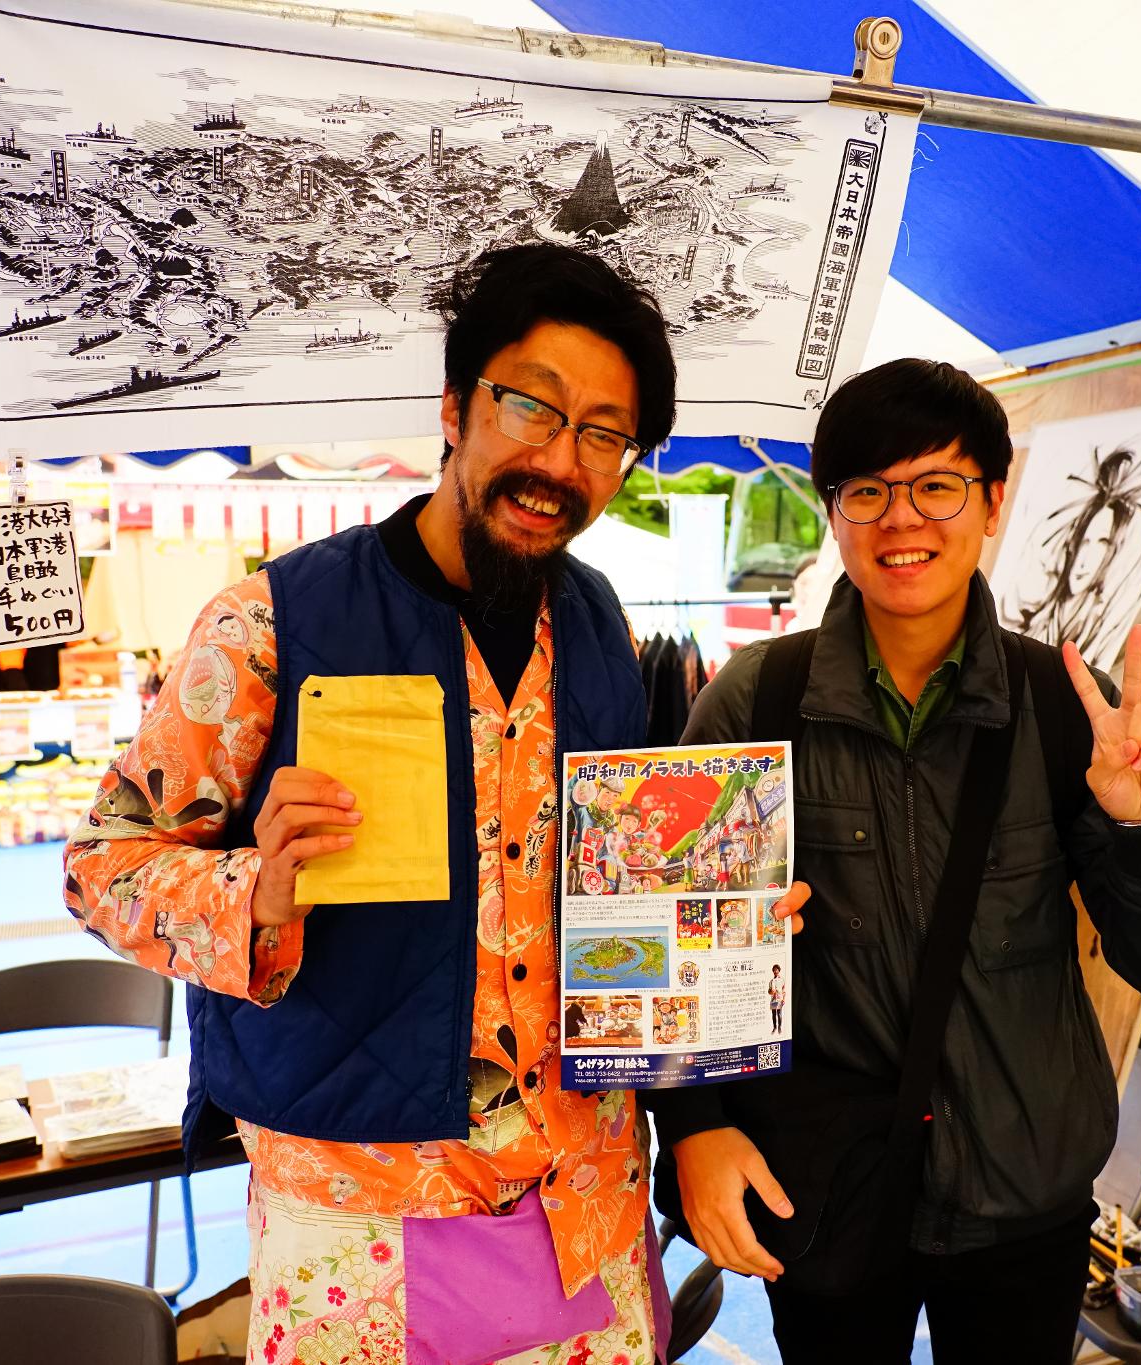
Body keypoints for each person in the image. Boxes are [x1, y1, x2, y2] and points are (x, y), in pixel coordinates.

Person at [63, 244, 806, 1365]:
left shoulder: (601, 625)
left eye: (603, 434)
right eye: (532, 407)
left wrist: (718, 917)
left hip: (585, 1201)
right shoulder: (270, 623)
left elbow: (626, 883)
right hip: (358, 1213)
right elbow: (101, 865)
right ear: (456, 407)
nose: (559, 460)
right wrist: (255, 889)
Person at [648, 360, 1141, 1363]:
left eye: (936, 486)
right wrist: (694, 1129)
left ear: (993, 502)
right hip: (826, 1184)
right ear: (832, 513)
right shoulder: (755, 700)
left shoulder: (1064, 706)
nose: (900, 520)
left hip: (1025, 1191)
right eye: (866, 491)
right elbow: (669, 947)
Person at [767, 963, 784, 1035]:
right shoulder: (771, 981)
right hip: (773, 999)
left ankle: (779, 1027)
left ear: (779, 970)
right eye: (774, 970)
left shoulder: (782, 980)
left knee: (779, 1014)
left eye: (776, 970)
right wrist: (771, 991)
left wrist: (784, 999)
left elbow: (784, 991)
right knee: (773, 1014)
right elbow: (769, 992)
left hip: (780, 999)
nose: (775, 971)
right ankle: (774, 1027)